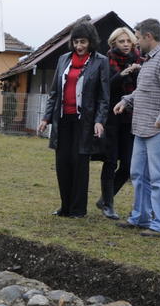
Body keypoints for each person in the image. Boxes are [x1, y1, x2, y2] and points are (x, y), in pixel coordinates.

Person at [113, 18, 160, 237]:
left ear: (148, 36)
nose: (135, 42)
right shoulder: (149, 60)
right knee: (139, 174)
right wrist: (126, 100)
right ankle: (141, 217)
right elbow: (145, 90)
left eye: (137, 36)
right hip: (143, 128)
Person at [37, 21, 110, 218]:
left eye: (83, 42)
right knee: (63, 163)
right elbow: (54, 93)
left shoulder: (100, 61)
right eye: (76, 42)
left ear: (91, 42)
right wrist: (46, 118)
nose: (79, 46)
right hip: (63, 120)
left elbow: (104, 96)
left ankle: (78, 209)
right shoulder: (63, 60)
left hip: (84, 122)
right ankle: (65, 206)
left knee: (79, 163)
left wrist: (99, 120)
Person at [95, 27, 145, 219]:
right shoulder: (106, 61)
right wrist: (123, 73)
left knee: (127, 165)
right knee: (110, 161)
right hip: (111, 118)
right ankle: (108, 205)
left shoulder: (141, 61)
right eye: (121, 41)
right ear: (113, 43)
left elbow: (142, 88)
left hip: (131, 119)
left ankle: (104, 199)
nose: (125, 45)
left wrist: (136, 72)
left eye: (128, 41)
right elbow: (106, 87)